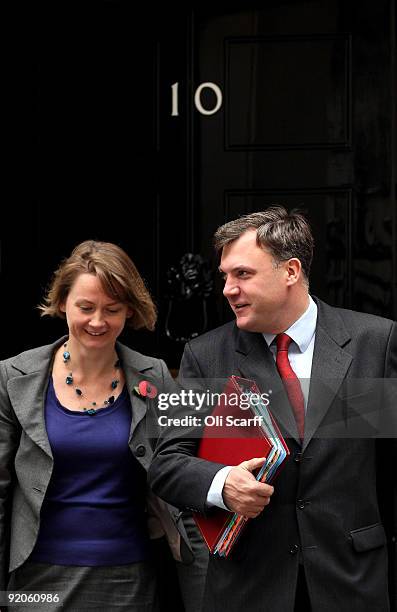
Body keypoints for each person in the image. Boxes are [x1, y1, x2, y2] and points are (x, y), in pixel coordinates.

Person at [149, 207, 397, 612]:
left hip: (351, 582)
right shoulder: (206, 355)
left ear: (291, 271)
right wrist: (221, 483)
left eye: (242, 274)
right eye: (225, 275)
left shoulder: (375, 342)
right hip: (248, 587)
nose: (227, 288)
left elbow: (386, 466)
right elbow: (166, 463)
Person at [0, 240, 193, 612]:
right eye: (85, 307)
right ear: (61, 303)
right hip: (35, 581)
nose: (98, 321)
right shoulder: (13, 376)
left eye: (113, 309)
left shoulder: (155, 377)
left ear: (129, 311)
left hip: (129, 580)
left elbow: (182, 470)